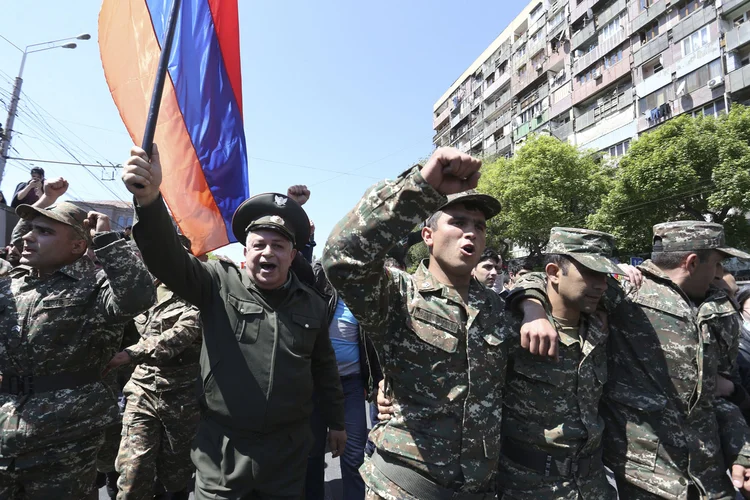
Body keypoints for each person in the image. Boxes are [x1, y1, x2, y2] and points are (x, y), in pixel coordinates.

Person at [122, 144, 346, 499]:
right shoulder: (215, 283)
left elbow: (324, 368)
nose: (268, 253)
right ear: (246, 252)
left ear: (292, 255)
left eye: (278, 246)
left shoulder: (313, 305)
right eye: (259, 245)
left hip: (287, 454)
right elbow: (167, 260)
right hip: (222, 449)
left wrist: (336, 422)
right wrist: (149, 202)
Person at [322, 147, 513, 499]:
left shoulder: (499, 310)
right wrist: (421, 187)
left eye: (480, 227)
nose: (471, 233)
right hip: (405, 488)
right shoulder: (397, 295)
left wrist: (531, 298)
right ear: (428, 236)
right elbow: (341, 256)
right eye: (457, 222)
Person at [513, 221, 750, 499]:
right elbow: (545, 278)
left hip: (710, 478)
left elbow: (720, 395)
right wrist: (533, 309)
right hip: (644, 478)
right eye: (718, 263)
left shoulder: (721, 312)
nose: (720, 273)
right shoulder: (627, 291)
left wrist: (742, 451)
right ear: (693, 262)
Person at [0, 189, 155, 497]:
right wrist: (43, 201)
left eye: (44, 231)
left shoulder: (96, 287)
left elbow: (138, 296)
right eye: (30, 229)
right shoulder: (12, 283)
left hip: (65, 438)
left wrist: (108, 241)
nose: (30, 237)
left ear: (77, 245)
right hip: (6, 427)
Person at [105, 234, 202, 500]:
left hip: (181, 398)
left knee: (175, 478)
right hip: (141, 391)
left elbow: (182, 334)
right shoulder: (144, 291)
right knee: (132, 473)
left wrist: (129, 354)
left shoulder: (198, 291)